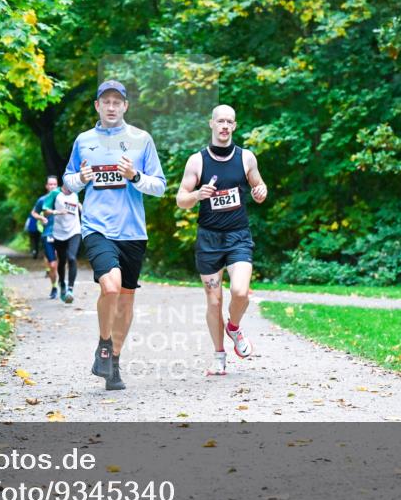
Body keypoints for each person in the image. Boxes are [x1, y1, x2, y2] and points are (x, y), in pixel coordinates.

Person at [63, 79, 166, 391]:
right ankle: (104, 344)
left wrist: (134, 176)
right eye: (105, 101)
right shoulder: (84, 140)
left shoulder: (141, 139)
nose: (111, 107)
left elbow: (160, 187)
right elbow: (69, 181)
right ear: (97, 106)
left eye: (116, 102)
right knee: (111, 286)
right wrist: (80, 178)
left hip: (133, 231)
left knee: (126, 298)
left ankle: (114, 362)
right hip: (97, 226)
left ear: (125, 106)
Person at [175, 104, 267, 375]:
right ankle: (218, 357)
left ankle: (234, 328)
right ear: (211, 124)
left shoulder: (246, 157)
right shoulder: (197, 161)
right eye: (220, 121)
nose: (225, 126)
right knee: (214, 301)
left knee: (240, 292)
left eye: (230, 122)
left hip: (238, 236)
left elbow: (258, 186)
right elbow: (181, 199)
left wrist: (261, 191)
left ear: (234, 126)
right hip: (209, 239)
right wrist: (197, 195)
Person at [48, 181, 82, 303]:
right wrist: (57, 212)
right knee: (61, 261)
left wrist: (80, 206)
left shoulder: (76, 193)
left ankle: (70, 290)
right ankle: (62, 283)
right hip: (59, 232)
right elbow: (45, 210)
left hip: (74, 231)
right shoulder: (55, 194)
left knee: (72, 258)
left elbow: (76, 202)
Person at [30, 176, 60, 299]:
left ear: (57, 185)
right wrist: (41, 218)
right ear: (47, 186)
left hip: (63, 233)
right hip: (47, 233)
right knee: (52, 265)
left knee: (61, 260)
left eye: (54, 184)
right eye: (50, 184)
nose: (52, 186)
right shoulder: (42, 200)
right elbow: (33, 212)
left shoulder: (62, 198)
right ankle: (54, 286)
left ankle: (62, 282)